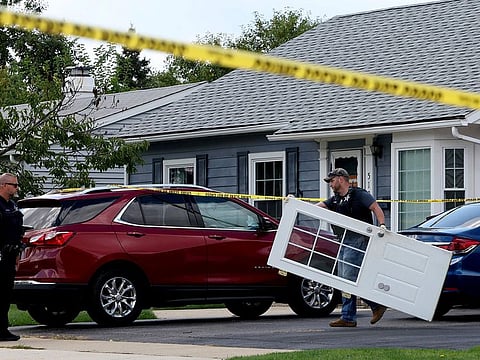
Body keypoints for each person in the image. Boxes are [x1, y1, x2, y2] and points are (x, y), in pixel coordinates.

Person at [317, 168, 387, 328]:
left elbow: (376, 208)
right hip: (343, 239)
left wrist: (382, 225)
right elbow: (317, 207)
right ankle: (355, 313)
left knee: (349, 277)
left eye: (332, 180)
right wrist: (296, 205)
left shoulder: (358, 194)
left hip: (358, 240)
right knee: (344, 278)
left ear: (341, 179)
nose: (330, 184)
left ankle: (360, 311)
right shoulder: (335, 199)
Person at [0, 173, 24, 341]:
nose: (16, 188)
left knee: (6, 293)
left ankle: (3, 329)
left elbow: (16, 231)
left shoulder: (13, 206)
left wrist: (16, 253)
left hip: (10, 255)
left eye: (16, 185)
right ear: (3, 185)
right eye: (13, 185)